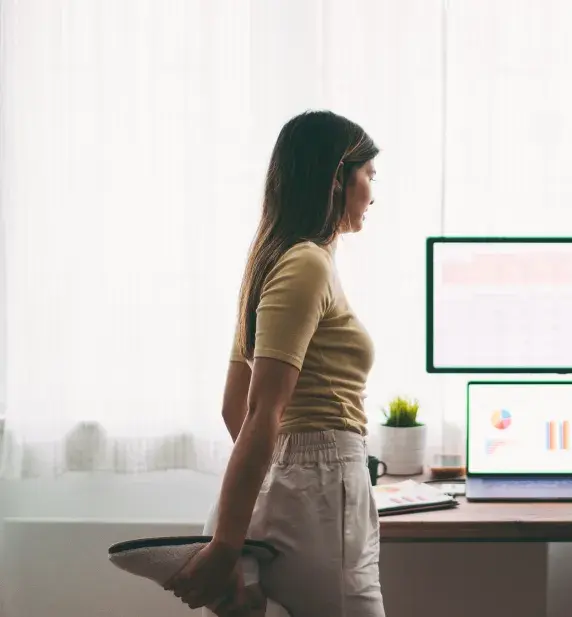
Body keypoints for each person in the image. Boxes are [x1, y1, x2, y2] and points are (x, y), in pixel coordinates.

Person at [164, 110, 384, 617]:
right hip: (319, 487)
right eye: (369, 175)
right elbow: (260, 412)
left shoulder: (275, 259)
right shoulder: (306, 263)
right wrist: (225, 544)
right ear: (337, 177)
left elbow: (232, 410)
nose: (374, 192)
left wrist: (272, 485)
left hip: (296, 485)